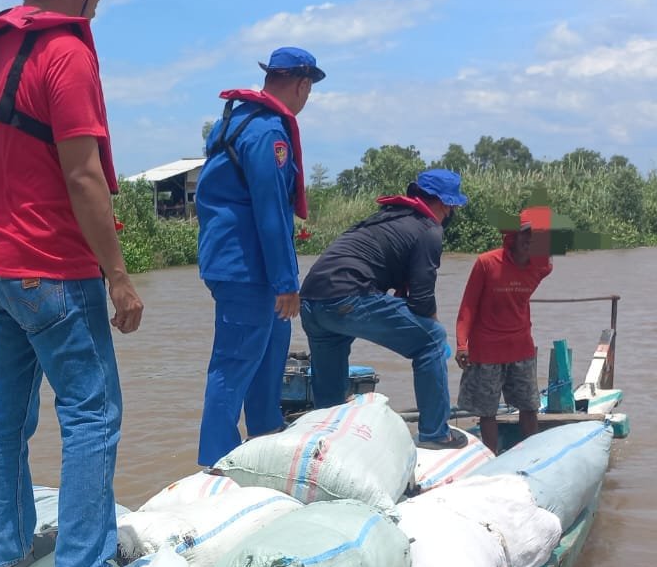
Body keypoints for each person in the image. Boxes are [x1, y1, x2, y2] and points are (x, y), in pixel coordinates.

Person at [0, 0, 152, 567]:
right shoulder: (66, 54)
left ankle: (5, 550)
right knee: (93, 411)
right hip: (53, 269)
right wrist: (121, 278)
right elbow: (81, 176)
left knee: (6, 411)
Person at [193, 47, 323, 467]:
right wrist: (288, 283)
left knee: (269, 361)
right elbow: (270, 211)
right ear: (302, 85)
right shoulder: (268, 132)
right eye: (308, 91)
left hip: (244, 265)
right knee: (233, 367)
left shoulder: (236, 120)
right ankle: (216, 465)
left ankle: (265, 443)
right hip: (248, 269)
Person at [298, 169, 470, 448]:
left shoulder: (387, 216)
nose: (451, 213)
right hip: (348, 298)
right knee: (433, 341)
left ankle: (326, 441)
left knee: (329, 386)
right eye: (451, 207)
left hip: (311, 301)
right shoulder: (429, 230)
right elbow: (422, 299)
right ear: (446, 203)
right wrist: (433, 330)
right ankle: (436, 434)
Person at [455, 210, 554, 453]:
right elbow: (468, 305)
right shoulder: (487, 263)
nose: (531, 240)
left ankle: (533, 454)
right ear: (512, 237)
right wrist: (461, 344)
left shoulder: (541, 266)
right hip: (486, 350)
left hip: (520, 347)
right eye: (526, 235)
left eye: (537, 236)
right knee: (487, 412)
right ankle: (491, 457)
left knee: (529, 406)